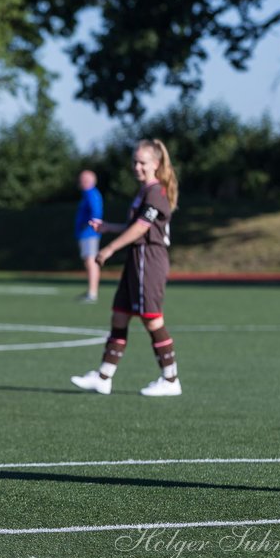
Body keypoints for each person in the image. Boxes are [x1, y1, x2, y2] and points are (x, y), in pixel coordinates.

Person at [71, 139, 181, 397]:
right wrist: (109, 227)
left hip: (149, 258)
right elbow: (138, 226)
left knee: (152, 319)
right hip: (136, 257)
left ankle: (171, 379)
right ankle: (103, 377)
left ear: (156, 164)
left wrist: (109, 248)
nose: (137, 167)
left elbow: (143, 228)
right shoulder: (144, 191)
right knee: (119, 315)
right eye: (135, 162)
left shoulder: (157, 191)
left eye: (142, 162)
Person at [74, 169, 103, 302]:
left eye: (84, 179)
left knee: (91, 262)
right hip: (85, 234)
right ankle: (91, 291)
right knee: (89, 262)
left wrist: (88, 225)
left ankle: (92, 293)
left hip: (89, 234)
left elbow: (95, 213)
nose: (81, 182)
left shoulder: (91, 194)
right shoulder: (86, 194)